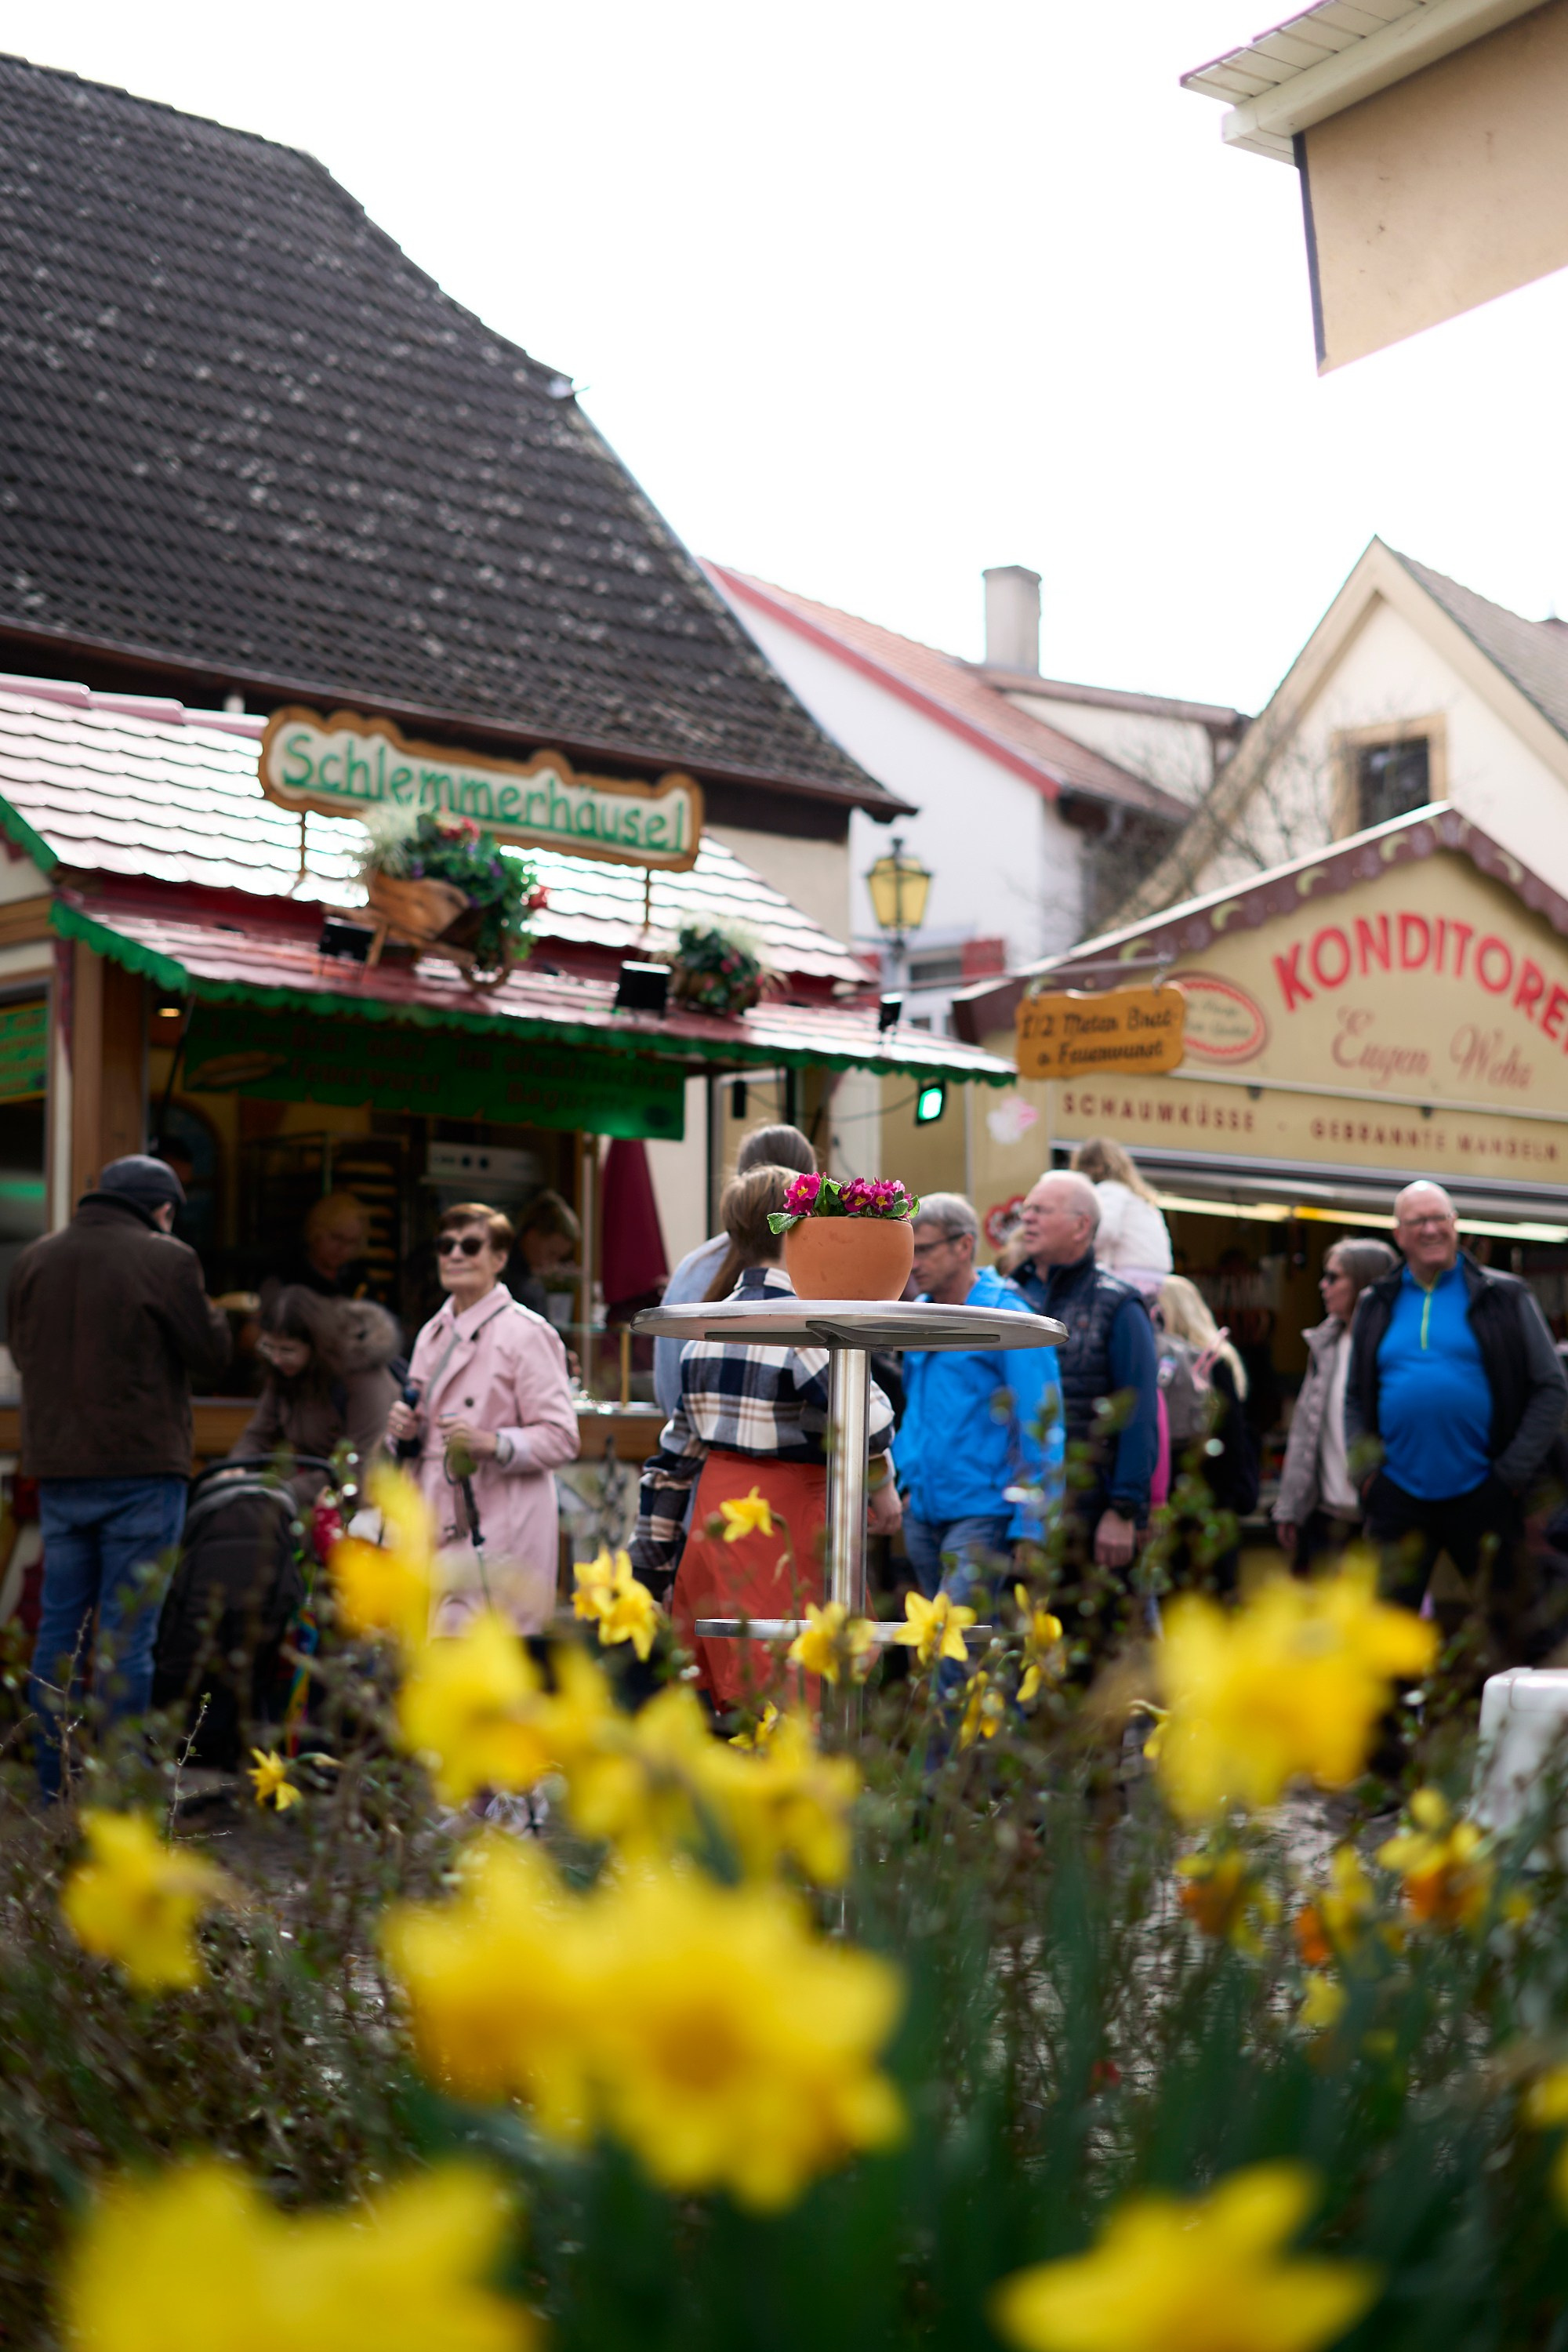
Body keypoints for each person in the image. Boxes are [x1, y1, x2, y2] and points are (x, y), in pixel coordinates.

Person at [629, 1163, 900, 1710]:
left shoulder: (705, 1331)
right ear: (799, 1228)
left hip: (717, 1525)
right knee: (802, 1699)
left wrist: (649, 1569)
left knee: (743, 1704)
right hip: (783, 1526)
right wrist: (884, 1484)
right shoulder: (803, 1325)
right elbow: (871, 1423)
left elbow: (672, 1463)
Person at [8, 1153, 231, 1793]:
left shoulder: (34, 1259)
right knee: (128, 1641)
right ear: (161, 1209)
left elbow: (25, 1352)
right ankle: (117, 1792)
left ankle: (52, 1784)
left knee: (58, 1632)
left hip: (57, 1468)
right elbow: (211, 1355)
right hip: (141, 1469)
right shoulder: (168, 1258)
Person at [1346, 1181, 1568, 1653]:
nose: (1431, 1229)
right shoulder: (1376, 1302)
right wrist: (1366, 1472)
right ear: (1398, 1234)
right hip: (1398, 1496)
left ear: (1456, 1226)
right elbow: (1354, 1399)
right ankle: (1394, 1730)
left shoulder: (1504, 1296)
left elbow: (1551, 1387)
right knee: (1385, 1643)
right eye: (1417, 1221)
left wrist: (1511, 1472)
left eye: (1440, 1218)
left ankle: (1522, 1727)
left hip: (1485, 1492)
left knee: (1518, 1635)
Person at [386, 1202, 579, 1635]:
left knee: (491, 1667)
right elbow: (420, 1436)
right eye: (445, 1245)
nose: (455, 1255)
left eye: (470, 1245)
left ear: (499, 1259)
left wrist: (493, 1442)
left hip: (501, 1524)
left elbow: (563, 1438)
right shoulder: (432, 1333)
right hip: (435, 1520)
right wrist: (404, 1433)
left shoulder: (527, 1334)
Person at [896, 1192, 1065, 1610]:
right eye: (909, 1250)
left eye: (925, 1249)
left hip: (984, 1511)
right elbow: (915, 1409)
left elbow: (1040, 1422)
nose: (914, 1262)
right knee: (938, 1646)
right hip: (923, 1509)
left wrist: (1034, 1524)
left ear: (964, 1246)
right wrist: (906, 1484)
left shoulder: (1007, 1317)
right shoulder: (918, 1313)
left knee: (952, 1648)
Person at [1007, 1171, 1160, 1569]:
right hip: (1011, 1513)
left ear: (1081, 1226)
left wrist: (1124, 1509)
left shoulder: (1119, 1304)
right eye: (1027, 1209)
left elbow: (1139, 1413)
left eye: (1042, 1210)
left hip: (1090, 1513)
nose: (1028, 1218)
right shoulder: (1004, 1294)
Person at [652, 1124, 817, 1420]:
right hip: (791, 1460)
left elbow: (668, 1387)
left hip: (698, 1455)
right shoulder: (819, 1273)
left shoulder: (693, 1268)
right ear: (810, 1190)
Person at [1273, 1239, 1399, 1567]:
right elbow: (1304, 1432)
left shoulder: (1394, 1345)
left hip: (1380, 1516)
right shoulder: (1324, 1344)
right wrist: (1290, 1506)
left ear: (1364, 1283)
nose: (1323, 1285)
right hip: (1323, 1514)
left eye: (1333, 1277)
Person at [231, 1287, 402, 1501]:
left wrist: (289, 1491)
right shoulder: (286, 1373)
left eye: (287, 1350)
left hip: (358, 1500)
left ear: (316, 1346)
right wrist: (237, 1468)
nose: (276, 1359)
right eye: (268, 1348)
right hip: (305, 1493)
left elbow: (364, 1461)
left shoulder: (361, 1377)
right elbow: (260, 1433)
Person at [1156, 1273, 1260, 1532]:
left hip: (1204, 1504)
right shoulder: (1218, 1362)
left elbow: (1231, 1441)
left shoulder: (1211, 1367)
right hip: (1206, 1503)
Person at [1071, 1138, 1173, 1292]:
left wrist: (1079, 1243)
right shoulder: (1139, 1198)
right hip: (1157, 1276)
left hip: (1128, 1272)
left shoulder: (1109, 1191)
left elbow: (1105, 1231)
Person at [506, 1190, 581, 1322]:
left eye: (559, 1258)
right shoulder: (502, 1268)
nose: (551, 1264)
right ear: (533, 1235)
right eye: (551, 1253)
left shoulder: (531, 1277)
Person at [286, 1191, 371, 1299]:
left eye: (351, 1242)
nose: (342, 1248)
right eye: (336, 1237)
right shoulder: (290, 1277)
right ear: (316, 1231)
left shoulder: (359, 1281)